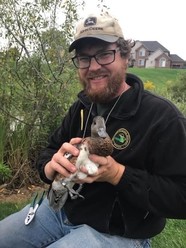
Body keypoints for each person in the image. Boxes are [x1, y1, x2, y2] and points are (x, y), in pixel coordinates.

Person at [0, 12, 186, 248]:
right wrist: (50, 167)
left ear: (125, 56)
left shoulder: (162, 117)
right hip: (58, 211)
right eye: (84, 58)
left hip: (118, 233)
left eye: (104, 54)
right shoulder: (81, 107)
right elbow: (48, 151)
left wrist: (118, 174)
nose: (93, 66)